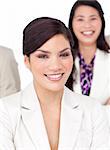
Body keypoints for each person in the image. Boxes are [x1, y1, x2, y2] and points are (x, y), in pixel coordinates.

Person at [0, 17, 109, 150]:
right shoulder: (5, 111)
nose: (55, 66)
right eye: (43, 56)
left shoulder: (93, 110)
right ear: (27, 61)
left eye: (63, 55)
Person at [68, 0, 110, 105]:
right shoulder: (63, 60)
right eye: (80, 19)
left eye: (93, 19)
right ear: (72, 23)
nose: (87, 25)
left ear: (102, 21)